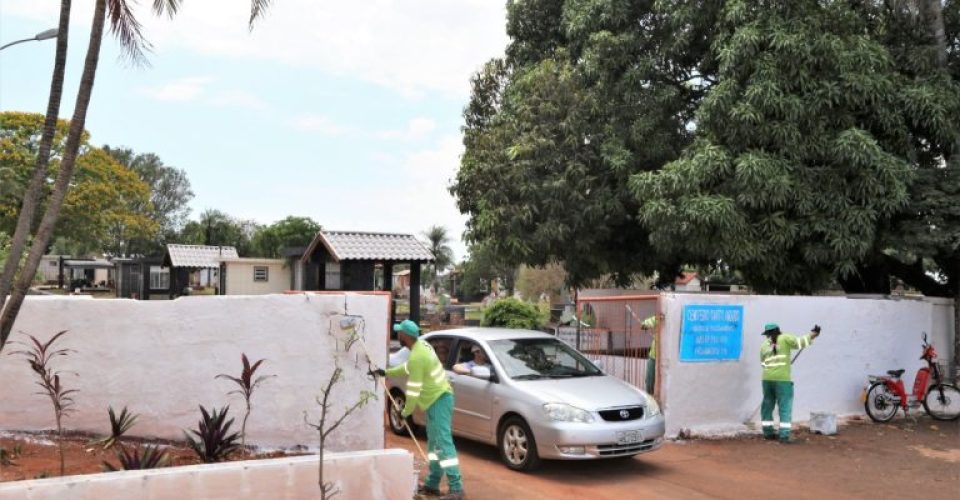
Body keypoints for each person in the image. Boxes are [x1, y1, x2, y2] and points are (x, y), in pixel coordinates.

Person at [372, 320, 463, 499]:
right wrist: (386, 373)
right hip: (436, 400)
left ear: (405, 336)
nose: (397, 336)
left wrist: (404, 413)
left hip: (439, 401)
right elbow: (408, 368)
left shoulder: (417, 357)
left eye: (399, 333)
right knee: (434, 445)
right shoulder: (422, 346)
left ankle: (456, 488)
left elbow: (412, 393)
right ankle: (432, 484)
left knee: (443, 443)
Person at [760, 322, 821, 443]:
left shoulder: (763, 345)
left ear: (767, 334)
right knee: (785, 407)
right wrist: (813, 334)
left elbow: (763, 363)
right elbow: (800, 342)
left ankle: (768, 433)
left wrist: (773, 368)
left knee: (767, 405)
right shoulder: (784, 338)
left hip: (767, 379)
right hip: (782, 380)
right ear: (778, 330)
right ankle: (784, 435)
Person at [642, 315, 658, 394]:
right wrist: (645, 324)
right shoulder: (659, 317)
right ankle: (650, 396)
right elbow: (648, 322)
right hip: (654, 355)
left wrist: (644, 324)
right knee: (650, 380)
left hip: (660, 356)